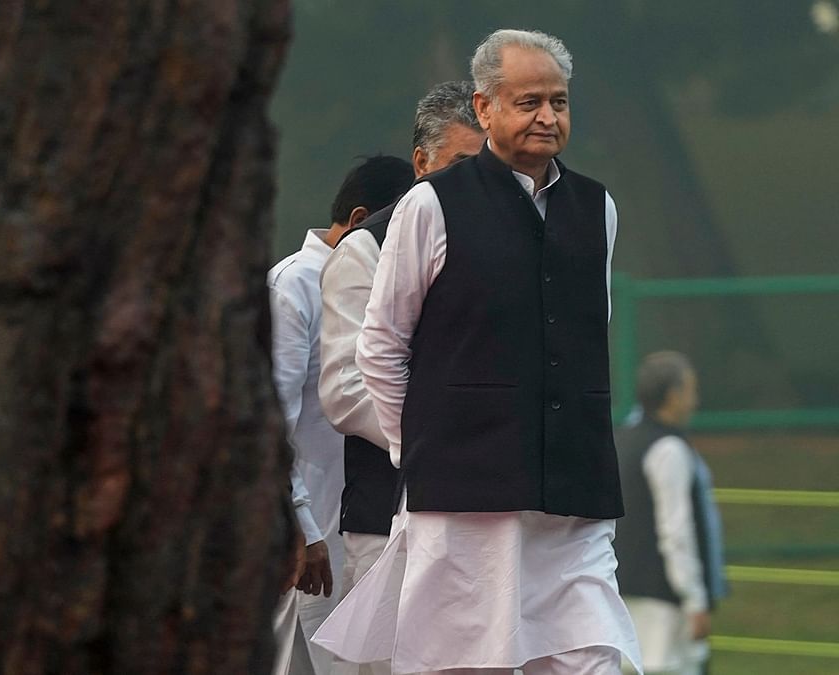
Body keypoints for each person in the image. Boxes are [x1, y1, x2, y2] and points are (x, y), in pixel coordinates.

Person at [313, 29, 641, 674]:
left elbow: (583, 332)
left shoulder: (595, 206)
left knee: (590, 657)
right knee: (464, 660)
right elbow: (380, 346)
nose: (547, 117)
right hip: (463, 498)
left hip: (574, 492)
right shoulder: (432, 205)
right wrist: (421, 444)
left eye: (559, 102)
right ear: (486, 109)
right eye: (528, 103)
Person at [315, 80, 485, 675]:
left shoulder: (512, 247)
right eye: (462, 164)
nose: (479, 182)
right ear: (421, 164)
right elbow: (345, 389)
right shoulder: (365, 250)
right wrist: (452, 432)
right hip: (388, 520)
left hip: (489, 518)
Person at [269, 155, 415, 675]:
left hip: (358, 523)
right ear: (360, 222)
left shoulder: (391, 288)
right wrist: (300, 527)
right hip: (306, 540)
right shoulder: (292, 285)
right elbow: (272, 424)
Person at [615, 352, 728, 675]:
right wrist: (694, 599)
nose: (695, 400)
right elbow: (676, 531)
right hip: (663, 603)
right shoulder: (669, 449)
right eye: (691, 390)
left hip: (623, 594)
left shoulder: (623, 440)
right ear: (673, 395)